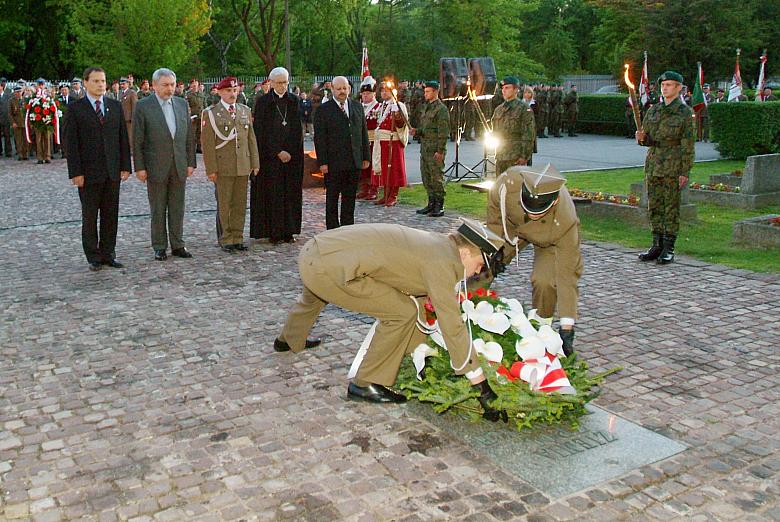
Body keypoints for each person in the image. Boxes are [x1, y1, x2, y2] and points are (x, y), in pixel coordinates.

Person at [274, 217, 509, 420]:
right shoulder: (442, 262)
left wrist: (418, 351)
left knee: (319, 292)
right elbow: (452, 324)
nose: (479, 272)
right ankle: (365, 384)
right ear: (465, 252)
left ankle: (288, 340)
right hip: (326, 267)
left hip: (319, 250)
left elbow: (415, 293)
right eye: (480, 264)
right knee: (401, 312)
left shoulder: (436, 244)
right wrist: (481, 386)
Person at [485, 164, 582, 356]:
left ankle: (541, 327)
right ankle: (467, 309)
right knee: (483, 265)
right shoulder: (506, 186)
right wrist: (494, 249)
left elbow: (567, 275)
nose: (533, 213)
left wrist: (567, 327)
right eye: (529, 206)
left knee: (545, 282)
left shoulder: (565, 221)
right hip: (513, 229)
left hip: (549, 237)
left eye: (538, 210)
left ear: (553, 203)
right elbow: (495, 219)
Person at [63, 66, 131, 271]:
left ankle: (108, 253)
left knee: (111, 214)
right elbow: (71, 144)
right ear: (86, 83)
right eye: (96, 81)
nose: (101, 85)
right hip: (88, 173)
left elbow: (122, 139)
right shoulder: (75, 109)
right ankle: (93, 255)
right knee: (90, 215)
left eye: (103, 81)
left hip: (112, 171)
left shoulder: (114, 106)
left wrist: (125, 166)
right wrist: (76, 172)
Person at [132, 67, 196, 261]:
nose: (170, 89)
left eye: (172, 85)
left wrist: (190, 162)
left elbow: (188, 137)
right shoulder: (143, 106)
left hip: (179, 164)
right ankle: (159, 246)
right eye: (165, 85)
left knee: (178, 208)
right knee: (158, 208)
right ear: (154, 86)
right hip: (155, 166)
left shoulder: (181, 104)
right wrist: (140, 167)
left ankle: (178, 244)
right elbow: (137, 140)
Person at [635, 71, 694, 265]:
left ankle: (669, 247)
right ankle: (656, 244)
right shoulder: (654, 110)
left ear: (679, 88)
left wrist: (684, 171)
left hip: (673, 164)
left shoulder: (684, 113)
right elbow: (649, 139)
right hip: (654, 163)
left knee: (671, 207)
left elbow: (687, 144)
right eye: (663, 85)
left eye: (669, 84)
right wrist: (642, 139)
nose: (665, 87)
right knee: (655, 205)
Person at [202, 77, 259, 252]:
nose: (232, 94)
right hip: (223, 165)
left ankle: (237, 236)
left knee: (240, 204)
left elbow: (251, 138)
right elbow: (208, 144)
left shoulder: (244, 110)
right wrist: (211, 169)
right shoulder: (211, 113)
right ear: (219, 92)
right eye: (228, 90)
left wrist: (254, 162)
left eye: (235, 90)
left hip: (242, 164)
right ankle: (226, 238)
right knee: (225, 204)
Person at [251, 67, 305, 243]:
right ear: (271, 82)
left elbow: (298, 129)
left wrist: (289, 151)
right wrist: (277, 151)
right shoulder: (263, 102)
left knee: (290, 194)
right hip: (270, 158)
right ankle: (273, 231)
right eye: (279, 82)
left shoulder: (294, 101)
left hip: (291, 157)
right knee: (273, 193)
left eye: (285, 82)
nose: (282, 86)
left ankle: (289, 230)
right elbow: (261, 131)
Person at [313, 76, 370, 229]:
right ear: (332, 90)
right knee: (332, 198)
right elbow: (320, 138)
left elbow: (363, 133)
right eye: (338, 89)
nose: (342, 91)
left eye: (344, 88)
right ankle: (332, 229)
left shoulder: (357, 107)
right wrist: (322, 162)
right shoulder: (323, 110)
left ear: (349, 89)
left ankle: (348, 228)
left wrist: (365, 156)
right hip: (333, 163)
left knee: (349, 198)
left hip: (353, 161)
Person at [410, 80, 449, 217]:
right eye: (425, 91)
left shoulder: (441, 109)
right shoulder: (426, 107)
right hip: (425, 148)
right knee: (426, 177)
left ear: (435, 92)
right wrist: (417, 131)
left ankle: (439, 204)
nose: (425, 94)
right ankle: (431, 202)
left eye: (428, 91)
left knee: (436, 177)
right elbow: (426, 127)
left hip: (435, 149)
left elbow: (443, 132)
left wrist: (440, 150)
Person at [372, 80, 409, 207]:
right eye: (381, 91)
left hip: (393, 141)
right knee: (384, 169)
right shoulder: (382, 106)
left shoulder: (398, 105)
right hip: (382, 141)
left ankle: (393, 195)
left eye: (386, 90)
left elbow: (402, 124)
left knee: (394, 170)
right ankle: (386, 194)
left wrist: (397, 116)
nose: (383, 93)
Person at [492, 76, 535, 176]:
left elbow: (528, 134)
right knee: (500, 187)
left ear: (516, 90)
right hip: (501, 155)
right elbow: (495, 132)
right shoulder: (499, 109)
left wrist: (524, 156)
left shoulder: (524, 109)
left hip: (516, 156)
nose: (504, 91)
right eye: (502, 88)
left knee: (516, 188)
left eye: (507, 88)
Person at [356, 76, 381, 200]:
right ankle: (364, 188)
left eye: (368, 93)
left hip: (373, 140)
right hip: (360, 140)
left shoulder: (378, 107)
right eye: (363, 93)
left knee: (372, 165)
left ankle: (374, 188)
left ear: (373, 94)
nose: (365, 96)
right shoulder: (358, 107)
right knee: (362, 166)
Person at [8, 86, 28, 161]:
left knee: (25, 139)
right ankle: (20, 154)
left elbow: (28, 111)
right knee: (18, 140)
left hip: (25, 122)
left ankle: (25, 153)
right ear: (14, 93)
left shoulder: (25, 100)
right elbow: (10, 113)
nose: (18, 93)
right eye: (17, 92)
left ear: (22, 92)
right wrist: (13, 122)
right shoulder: (11, 101)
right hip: (17, 122)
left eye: (19, 92)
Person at [185, 78, 205, 153]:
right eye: (192, 83)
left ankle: (199, 147)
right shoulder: (188, 94)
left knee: (200, 132)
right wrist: (189, 115)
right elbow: (187, 106)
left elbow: (204, 104)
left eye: (196, 82)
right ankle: (191, 148)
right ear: (190, 85)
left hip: (201, 115)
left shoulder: (201, 94)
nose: (194, 84)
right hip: (193, 116)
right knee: (192, 132)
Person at [119, 77, 137, 145]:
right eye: (121, 84)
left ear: (128, 84)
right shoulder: (120, 93)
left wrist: (133, 119)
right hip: (121, 118)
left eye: (123, 84)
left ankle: (131, 151)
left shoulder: (132, 93)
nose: (122, 86)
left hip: (129, 119)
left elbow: (134, 106)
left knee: (130, 136)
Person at [0, 77, 13, 158]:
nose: (3, 84)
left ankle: (8, 151)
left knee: (7, 135)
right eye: (2, 82)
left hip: (6, 117)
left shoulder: (9, 92)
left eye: (4, 82)